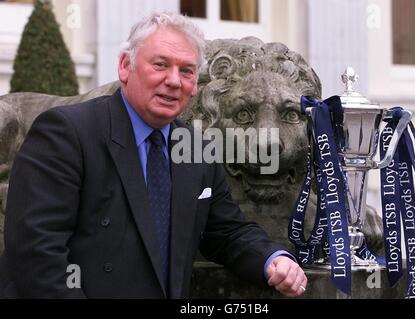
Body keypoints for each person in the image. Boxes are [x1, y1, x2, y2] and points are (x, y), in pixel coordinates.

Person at [0, 12, 307, 298]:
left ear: (192, 87)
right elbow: (37, 253)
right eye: (160, 65)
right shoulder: (66, 132)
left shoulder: (198, 148)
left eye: (186, 70)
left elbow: (225, 231)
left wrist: (273, 259)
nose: (173, 80)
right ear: (124, 67)